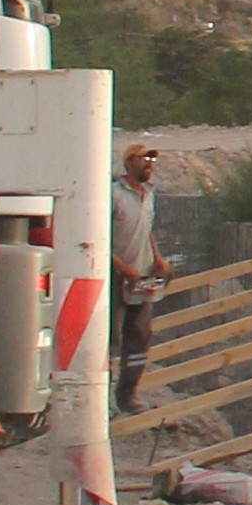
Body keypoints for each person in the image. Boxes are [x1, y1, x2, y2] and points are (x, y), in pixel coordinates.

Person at [107, 140, 168, 415]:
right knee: (110, 339)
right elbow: (98, 237)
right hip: (116, 277)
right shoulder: (113, 195)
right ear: (129, 163)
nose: (149, 164)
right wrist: (121, 266)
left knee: (139, 337)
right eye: (144, 159)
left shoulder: (148, 195)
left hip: (141, 276)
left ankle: (127, 395)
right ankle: (101, 401)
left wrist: (157, 259)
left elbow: (147, 231)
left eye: (152, 160)